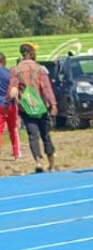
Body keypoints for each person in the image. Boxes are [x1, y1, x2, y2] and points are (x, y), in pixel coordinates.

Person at [7, 43, 56, 173]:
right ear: (31, 53)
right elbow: (46, 88)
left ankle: (38, 163)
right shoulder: (40, 68)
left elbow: (12, 90)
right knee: (45, 135)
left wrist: (12, 102)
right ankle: (51, 164)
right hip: (41, 107)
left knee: (33, 135)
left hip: (26, 108)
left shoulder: (15, 70)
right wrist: (53, 104)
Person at [0, 54, 17, 161]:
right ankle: (16, 153)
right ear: (4, 61)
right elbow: (13, 88)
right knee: (13, 129)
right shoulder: (9, 73)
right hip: (10, 104)